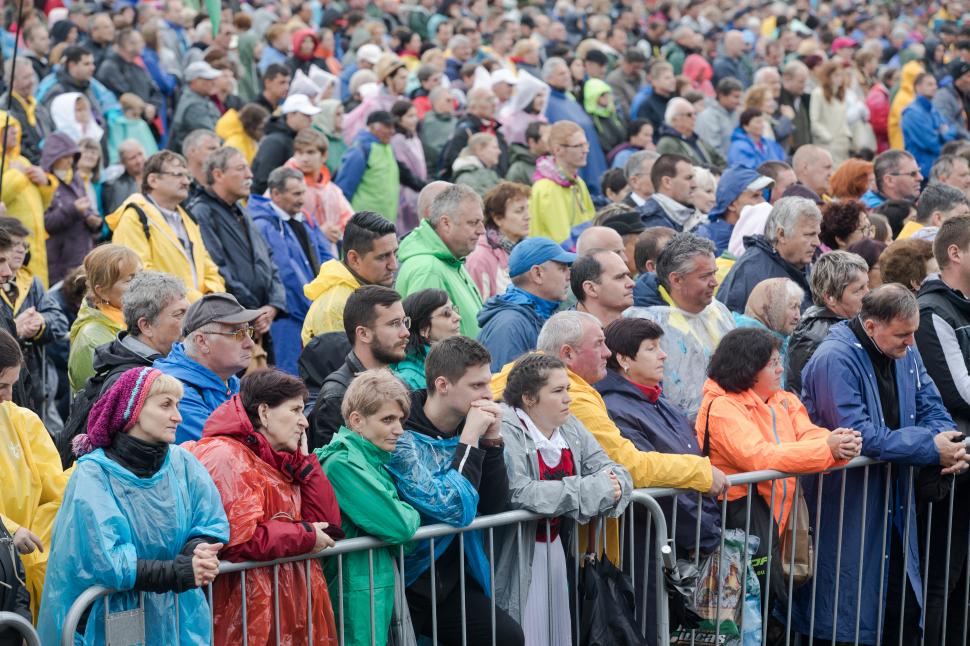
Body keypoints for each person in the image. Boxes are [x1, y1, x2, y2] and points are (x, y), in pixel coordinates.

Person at [794, 285, 969, 644]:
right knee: (845, 617)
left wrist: (944, 443)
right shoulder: (834, 359)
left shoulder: (906, 351)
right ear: (872, 326)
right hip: (846, 506)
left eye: (913, 333)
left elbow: (934, 408)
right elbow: (861, 434)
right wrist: (930, 447)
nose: (911, 342)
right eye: (903, 334)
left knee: (899, 612)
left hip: (895, 504)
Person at [37, 367, 230, 645]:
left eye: (177, 405)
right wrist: (179, 571)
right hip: (111, 617)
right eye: (165, 405)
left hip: (178, 615)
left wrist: (198, 550)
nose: (178, 416)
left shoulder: (183, 462)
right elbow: (108, 561)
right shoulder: (93, 474)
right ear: (133, 411)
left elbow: (209, 521)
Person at [698, 327, 861, 616]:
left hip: (776, 514)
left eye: (779, 361)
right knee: (744, 606)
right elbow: (759, 456)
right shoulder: (723, 407)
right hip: (740, 514)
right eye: (772, 363)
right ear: (748, 368)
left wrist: (837, 442)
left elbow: (807, 433)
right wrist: (828, 450)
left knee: (767, 600)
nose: (780, 369)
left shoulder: (783, 399)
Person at [385, 336, 524, 645]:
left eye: (487, 383)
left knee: (507, 637)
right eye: (476, 386)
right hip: (405, 581)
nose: (488, 394)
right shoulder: (400, 430)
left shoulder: (471, 426)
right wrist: (470, 438)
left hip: (453, 579)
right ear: (443, 385)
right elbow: (450, 507)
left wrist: (492, 440)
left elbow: (494, 505)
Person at [190, 369, 341, 645]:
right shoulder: (225, 454)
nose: (304, 422)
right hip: (245, 611)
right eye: (295, 410)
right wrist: (305, 536)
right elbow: (239, 539)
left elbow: (328, 527)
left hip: (289, 608)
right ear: (264, 413)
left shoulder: (283, 460)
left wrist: (306, 467)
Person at [495, 352, 632, 645]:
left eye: (567, 389)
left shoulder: (569, 425)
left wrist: (612, 484)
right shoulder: (506, 425)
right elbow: (519, 491)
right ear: (529, 398)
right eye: (557, 391)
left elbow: (616, 471)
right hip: (518, 553)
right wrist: (590, 490)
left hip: (556, 549)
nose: (568, 398)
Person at [316, 369, 421, 646]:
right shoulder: (342, 463)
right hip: (354, 590)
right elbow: (401, 526)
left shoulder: (369, 458)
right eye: (388, 419)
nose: (399, 429)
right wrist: (409, 512)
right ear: (356, 421)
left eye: (400, 419)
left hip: (370, 585)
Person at [59, 272, 189, 467]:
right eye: (179, 314)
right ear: (146, 326)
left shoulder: (157, 363)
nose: (189, 323)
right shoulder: (128, 380)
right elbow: (126, 463)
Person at [914, 214, 970, 644]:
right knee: (942, 578)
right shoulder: (932, 310)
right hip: (950, 465)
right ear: (955, 253)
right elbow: (959, 391)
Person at [186, 147, 287, 362]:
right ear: (218, 174)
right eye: (241, 169)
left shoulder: (241, 210)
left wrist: (273, 306)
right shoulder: (202, 211)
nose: (249, 175)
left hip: (259, 323)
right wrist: (252, 312)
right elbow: (217, 268)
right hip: (232, 326)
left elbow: (269, 259)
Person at [626, 233, 736, 419]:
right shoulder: (645, 322)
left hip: (730, 417)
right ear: (676, 280)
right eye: (705, 276)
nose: (714, 282)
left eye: (714, 273)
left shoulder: (717, 310)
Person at [0, 330, 67, 621]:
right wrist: (9, 533)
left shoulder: (23, 420)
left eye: (12, 386)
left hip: (23, 577)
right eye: (1, 386)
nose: (8, 396)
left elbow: (56, 495)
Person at [106, 150, 226, 302]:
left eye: (187, 176)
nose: (186, 182)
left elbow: (209, 268)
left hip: (197, 310)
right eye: (178, 174)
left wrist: (213, 296)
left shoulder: (188, 218)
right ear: (153, 180)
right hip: (161, 312)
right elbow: (139, 277)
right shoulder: (134, 217)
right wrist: (196, 301)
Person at [250, 167, 331, 376]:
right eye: (296, 194)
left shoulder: (304, 220)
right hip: (289, 317)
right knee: (288, 375)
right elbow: (286, 274)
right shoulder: (265, 225)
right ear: (276, 194)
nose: (302, 199)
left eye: (303, 193)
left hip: (308, 312)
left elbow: (326, 259)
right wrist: (312, 307)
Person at [309, 285, 410, 448]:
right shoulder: (337, 396)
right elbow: (335, 461)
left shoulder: (399, 384)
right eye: (394, 323)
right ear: (363, 334)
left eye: (405, 322)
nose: (405, 332)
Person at [153, 293, 260, 443]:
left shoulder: (228, 379)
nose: (250, 343)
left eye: (248, 332)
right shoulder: (177, 392)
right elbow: (221, 450)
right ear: (202, 342)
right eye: (238, 334)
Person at [396, 184, 486, 337]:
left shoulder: (451, 259)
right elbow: (427, 343)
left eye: (481, 222)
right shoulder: (428, 270)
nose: (481, 230)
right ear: (446, 223)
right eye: (472, 222)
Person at [478, 237, 575, 371]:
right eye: (562, 269)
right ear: (537, 274)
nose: (569, 276)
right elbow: (503, 382)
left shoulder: (535, 314)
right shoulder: (510, 325)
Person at [302, 211, 399, 345]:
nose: (394, 265)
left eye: (395, 253)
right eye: (383, 257)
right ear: (354, 259)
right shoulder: (334, 310)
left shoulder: (371, 289)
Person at [785, 250, 870, 395]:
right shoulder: (817, 338)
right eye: (858, 290)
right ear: (830, 298)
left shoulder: (844, 324)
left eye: (867, 285)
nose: (868, 294)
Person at [718, 196, 819, 313]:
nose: (817, 242)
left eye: (817, 234)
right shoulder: (751, 271)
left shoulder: (802, 263)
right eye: (809, 235)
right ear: (781, 234)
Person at [68, 245, 141, 393]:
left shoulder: (139, 317)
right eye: (129, 280)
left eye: (142, 275)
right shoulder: (91, 338)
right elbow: (102, 397)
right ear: (102, 292)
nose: (141, 284)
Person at [41, 131, 101, 286]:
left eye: (72, 156)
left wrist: (93, 220)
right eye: (65, 156)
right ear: (53, 157)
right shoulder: (44, 182)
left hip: (82, 257)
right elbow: (45, 223)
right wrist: (73, 209)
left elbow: (86, 208)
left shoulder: (76, 179)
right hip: (58, 263)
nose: (70, 161)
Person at [543, 57, 608, 196]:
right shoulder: (547, 103)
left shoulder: (570, 100)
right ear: (549, 78)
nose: (567, 76)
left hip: (591, 157)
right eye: (561, 73)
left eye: (567, 72)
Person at [528, 121, 596, 243]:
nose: (586, 150)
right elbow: (561, 241)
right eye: (578, 146)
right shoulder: (546, 188)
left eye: (586, 144)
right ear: (558, 149)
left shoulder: (578, 182)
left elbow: (591, 222)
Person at [465, 182, 530, 301]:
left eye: (527, 208)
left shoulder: (526, 248)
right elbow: (478, 308)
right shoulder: (480, 258)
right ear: (498, 218)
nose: (528, 216)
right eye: (519, 211)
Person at [695, 166, 772, 256]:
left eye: (762, 195)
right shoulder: (704, 240)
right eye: (755, 196)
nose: (763, 202)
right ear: (731, 204)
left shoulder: (765, 231)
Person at [393, 289, 462, 389]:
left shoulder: (451, 360)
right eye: (446, 313)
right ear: (423, 329)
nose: (458, 317)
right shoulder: (408, 381)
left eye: (454, 309)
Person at [251, 94, 320, 195]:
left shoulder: (291, 139)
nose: (311, 120)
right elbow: (263, 181)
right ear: (290, 115)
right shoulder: (275, 142)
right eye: (306, 115)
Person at [733, 277, 804, 365]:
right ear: (771, 308)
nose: (798, 317)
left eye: (799, 307)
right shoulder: (748, 346)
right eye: (793, 307)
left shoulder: (784, 339)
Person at [0, 58, 54, 166]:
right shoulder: (5, 108)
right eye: (26, 77)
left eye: (32, 76)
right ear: (12, 80)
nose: (32, 81)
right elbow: (17, 146)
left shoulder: (38, 106)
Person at [903, 72, 957, 178]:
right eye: (930, 84)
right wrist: (942, 133)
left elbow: (952, 131)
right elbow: (931, 142)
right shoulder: (912, 113)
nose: (934, 87)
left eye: (935, 84)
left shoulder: (933, 109)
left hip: (937, 168)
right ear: (918, 87)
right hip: (923, 171)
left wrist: (941, 134)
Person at [637, 153, 703, 232]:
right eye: (688, 178)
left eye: (693, 178)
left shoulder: (693, 213)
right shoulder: (649, 220)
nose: (694, 185)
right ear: (667, 182)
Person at [167, 61, 222, 154]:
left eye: (212, 79)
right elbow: (213, 135)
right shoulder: (193, 106)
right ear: (194, 81)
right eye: (207, 79)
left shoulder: (201, 98)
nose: (212, 82)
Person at [656, 97, 725, 168]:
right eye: (689, 115)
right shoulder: (667, 144)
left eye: (695, 114)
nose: (694, 118)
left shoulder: (696, 139)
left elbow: (720, 161)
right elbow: (671, 171)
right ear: (675, 119)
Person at [572, 249, 635, 326]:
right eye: (620, 277)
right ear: (591, 289)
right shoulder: (567, 331)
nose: (632, 283)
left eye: (628, 276)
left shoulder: (638, 322)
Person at [809, 60, 852, 164]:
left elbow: (843, 120)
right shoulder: (818, 93)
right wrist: (828, 138)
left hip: (843, 144)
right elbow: (814, 121)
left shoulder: (840, 94)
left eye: (841, 75)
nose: (839, 78)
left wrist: (848, 136)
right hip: (827, 146)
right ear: (827, 76)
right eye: (836, 75)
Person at [897, 182, 970, 240]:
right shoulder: (934, 249)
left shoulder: (905, 241)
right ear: (938, 218)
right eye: (963, 216)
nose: (968, 222)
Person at [696, 77, 744, 157]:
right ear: (721, 96)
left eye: (740, 97)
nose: (739, 102)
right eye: (736, 97)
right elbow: (712, 150)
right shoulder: (708, 117)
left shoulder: (735, 115)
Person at [101, 140, 146, 214]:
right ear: (123, 162)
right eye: (132, 158)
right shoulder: (117, 186)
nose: (139, 160)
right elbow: (116, 214)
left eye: (140, 154)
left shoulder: (154, 176)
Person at [452, 132, 503, 196]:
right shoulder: (467, 176)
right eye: (495, 147)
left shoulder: (486, 172)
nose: (499, 152)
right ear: (479, 150)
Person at [180, 129, 220, 204]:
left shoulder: (220, 184)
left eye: (219, 149)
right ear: (192, 151)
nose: (219, 153)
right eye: (212, 148)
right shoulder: (179, 186)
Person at [506, 122, 549, 186]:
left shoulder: (554, 161)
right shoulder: (518, 169)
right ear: (532, 142)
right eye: (546, 136)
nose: (549, 140)